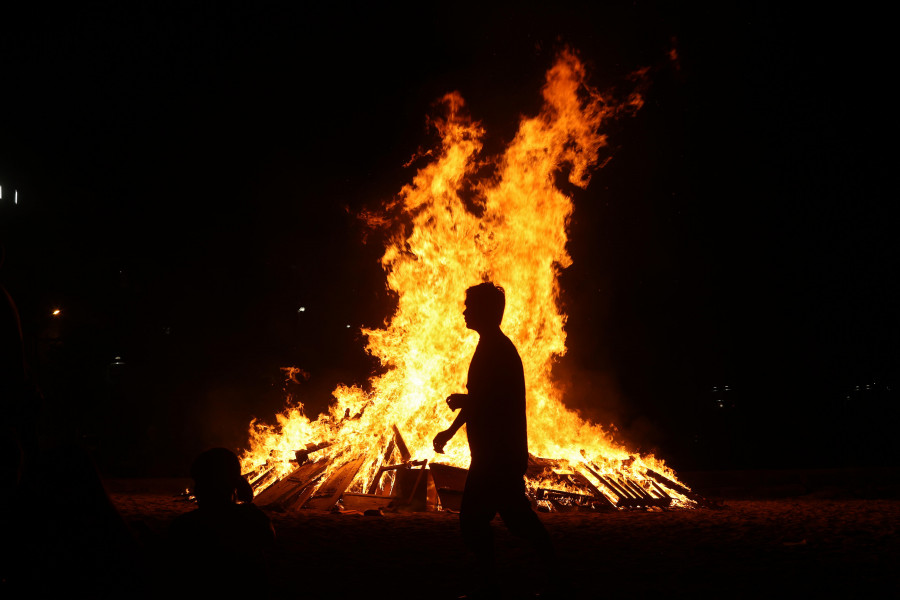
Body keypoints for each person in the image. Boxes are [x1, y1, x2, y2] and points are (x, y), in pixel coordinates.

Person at [433, 282, 555, 595]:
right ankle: (550, 576)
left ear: (485, 311)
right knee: (513, 519)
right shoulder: (489, 346)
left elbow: (492, 400)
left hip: (497, 455)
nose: (464, 311)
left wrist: (464, 402)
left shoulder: (497, 350)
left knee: (475, 522)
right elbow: (479, 399)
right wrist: (451, 429)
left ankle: (495, 585)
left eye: (469, 305)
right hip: (494, 454)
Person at [169, 447, 275, 596]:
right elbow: (269, 537)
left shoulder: (184, 526)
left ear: (199, 489)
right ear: (234, 488)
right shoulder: (253, 519)